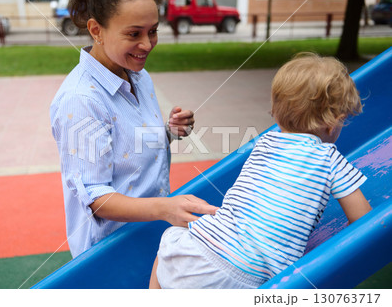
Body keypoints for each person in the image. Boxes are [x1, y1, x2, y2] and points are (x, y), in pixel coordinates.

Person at [149, 53, 373, 289]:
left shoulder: (264, 143)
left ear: (276, 111)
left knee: (170, 239)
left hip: (191, 250)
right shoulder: (329, 158)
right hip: (242, 277)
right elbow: (363, 219)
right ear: (333, 122)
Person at [50, 0, 218, 259]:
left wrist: (169, 132)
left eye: (153, 31)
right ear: (96, 30)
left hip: (148, 232)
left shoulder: (137, 75)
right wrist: (164, 208)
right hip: (109, 250)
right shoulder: (80, 100)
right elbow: (95, 197)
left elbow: (128, 145)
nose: (148, 44)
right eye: (134, 34)